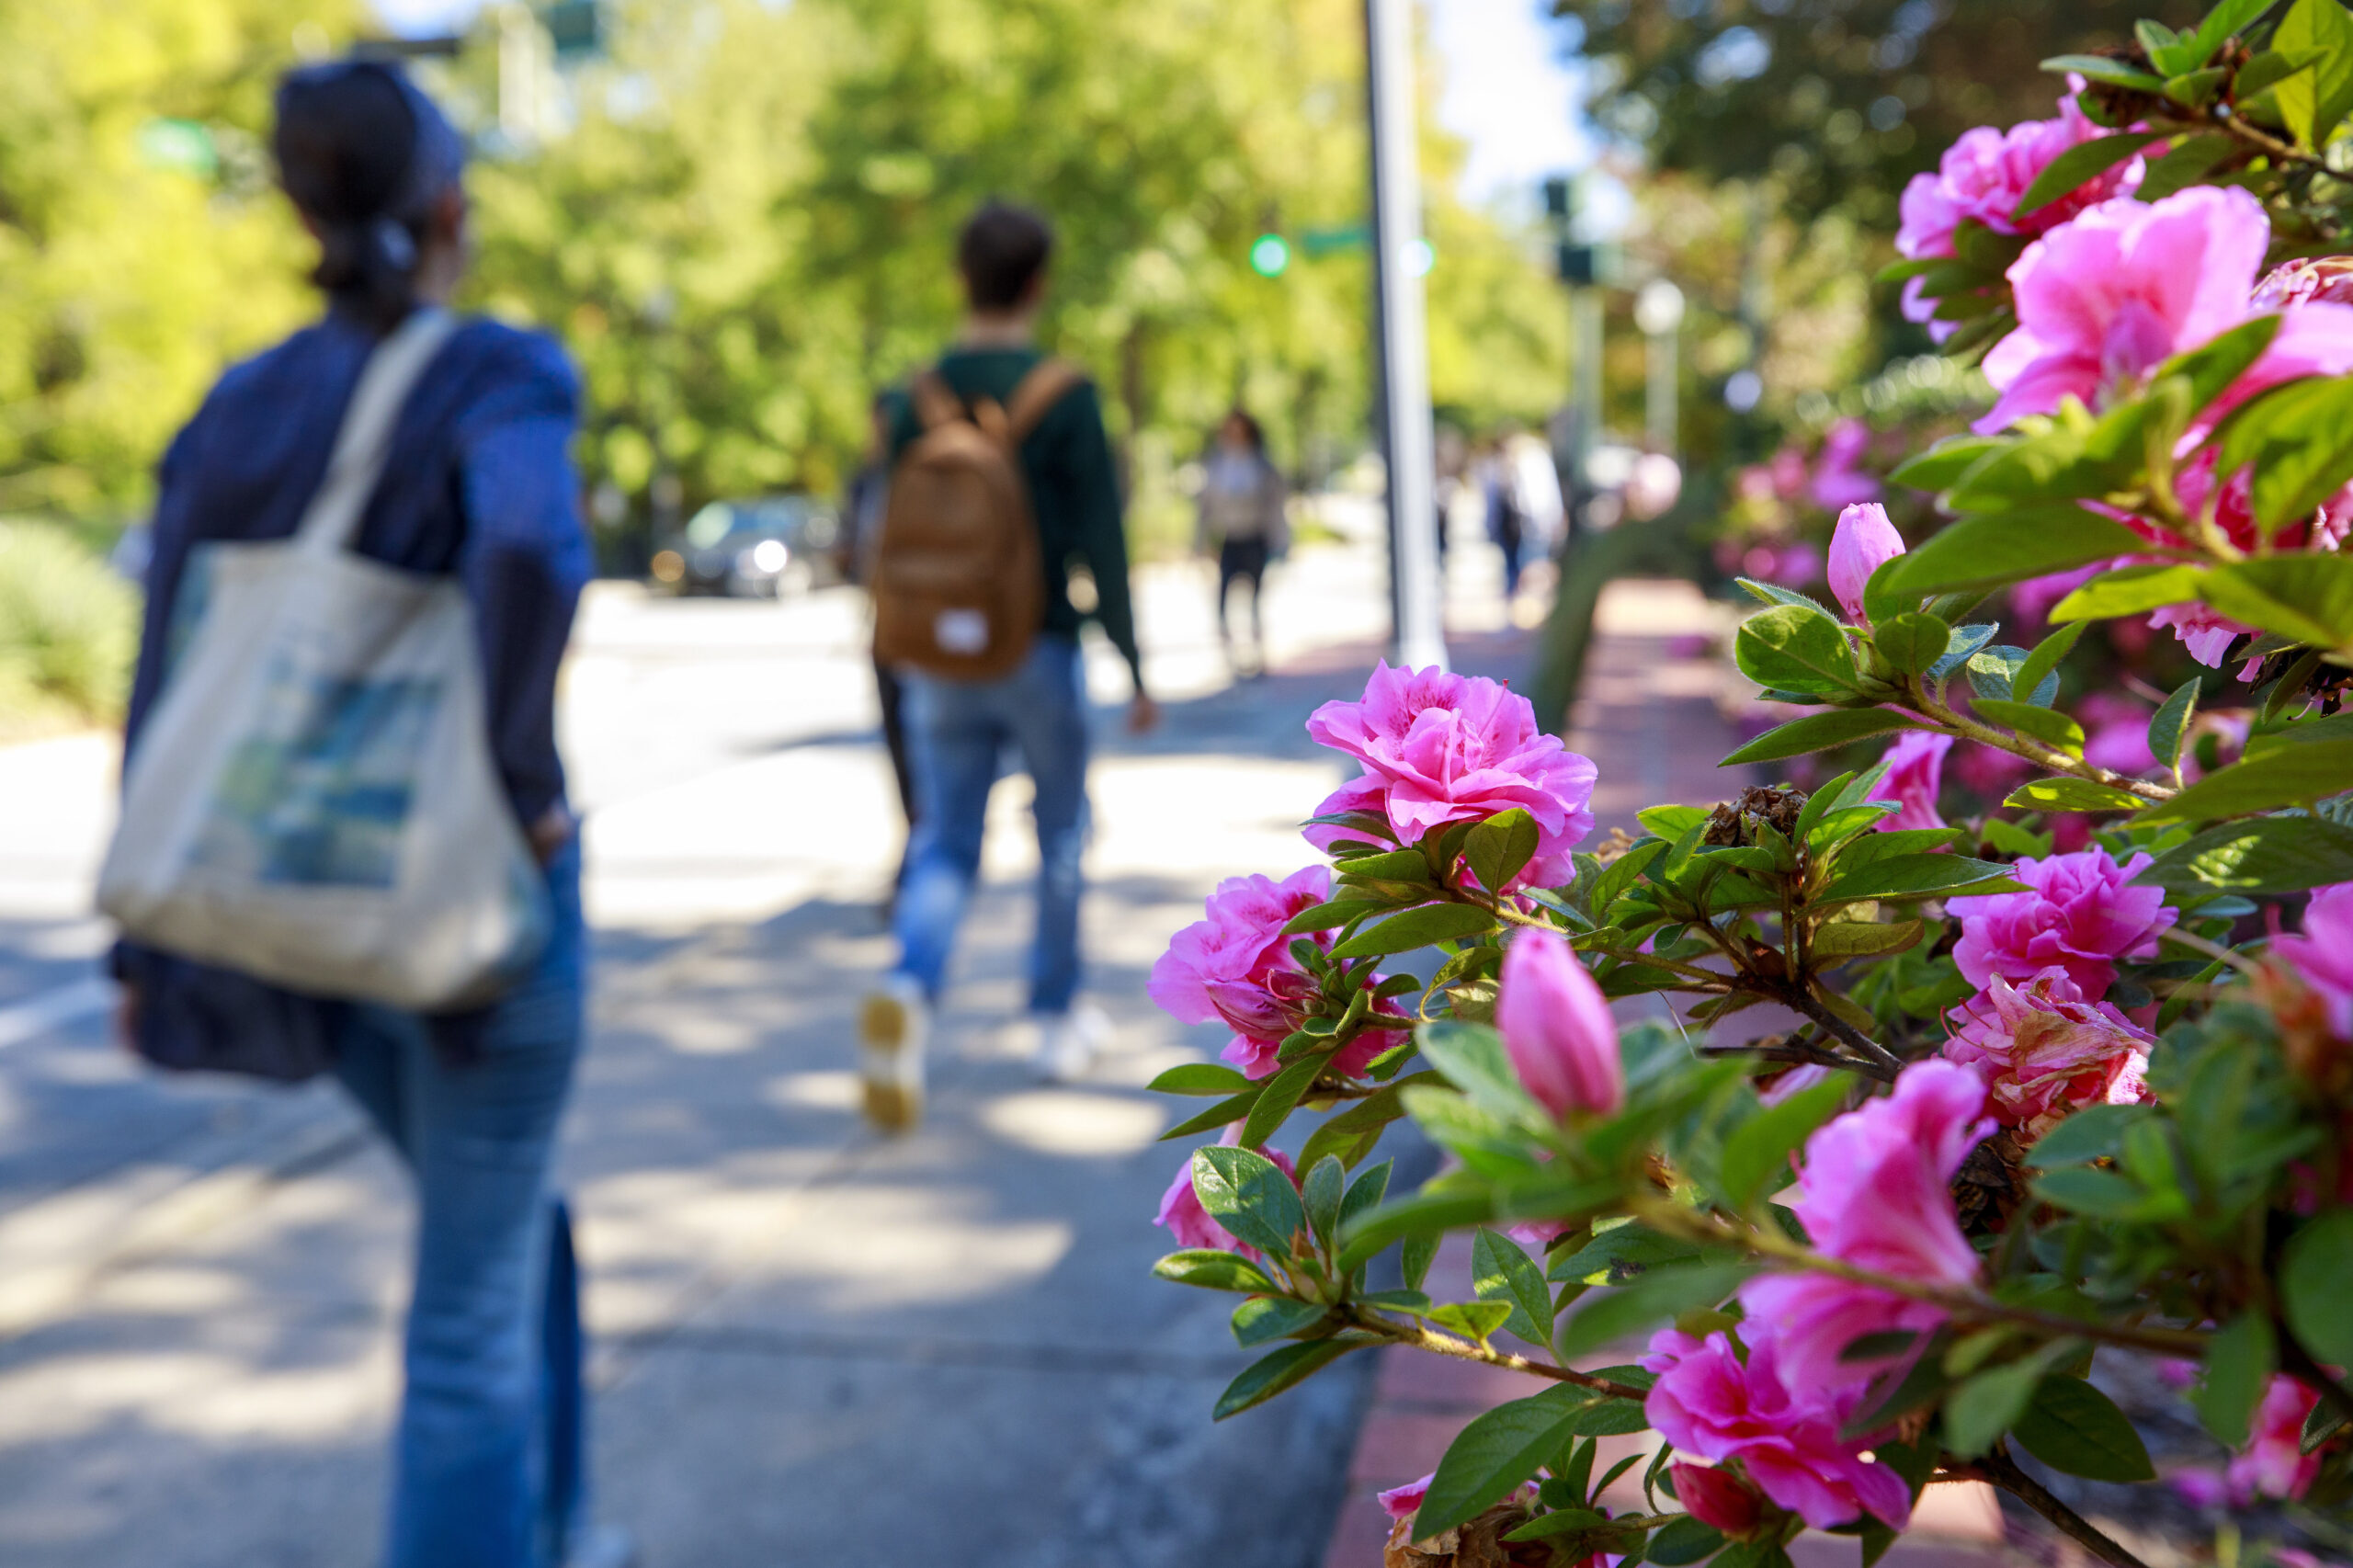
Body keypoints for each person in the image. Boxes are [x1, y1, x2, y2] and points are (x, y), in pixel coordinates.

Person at [113, 61, 626, 1568]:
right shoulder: (495, 372)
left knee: (515, 1237)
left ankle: (565, 1531)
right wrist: (525, 785)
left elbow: (172, 662)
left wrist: (146, 932)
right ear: (449, 205)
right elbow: (531, 543)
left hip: (294, 919)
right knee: (471, 1313)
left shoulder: (240, 404)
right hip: (468, 917)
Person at [860, 200, 1157, 1090]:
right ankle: (1055, 1015)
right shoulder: (1064, 396)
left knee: (944, 838)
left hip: (937, 659)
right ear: (1038, 283)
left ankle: (908, 988)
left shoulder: (913, 398)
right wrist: (1135, 662)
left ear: (963, 279)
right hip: (1037, 646)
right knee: (1059, 831)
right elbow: (1102, 540)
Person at [839, 391, 920, 910]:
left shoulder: (930, 478)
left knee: (926, 757)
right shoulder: (864, 481)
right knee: (900, 754)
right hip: (884, 635)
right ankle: (916, 853)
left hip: (928, 641)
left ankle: (919, 865)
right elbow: (849, 554)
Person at [1194, 408, 1288, 676]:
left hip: (1254, 539)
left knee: (1255, 601)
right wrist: (1200, 544)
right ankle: (1230, 660)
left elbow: (1274, 506)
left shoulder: (1261, 465)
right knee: (1222, 602)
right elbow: (1204, 508)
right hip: (1229, 541)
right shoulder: (1217, 464)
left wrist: (1280, 543)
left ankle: (1259, 656)